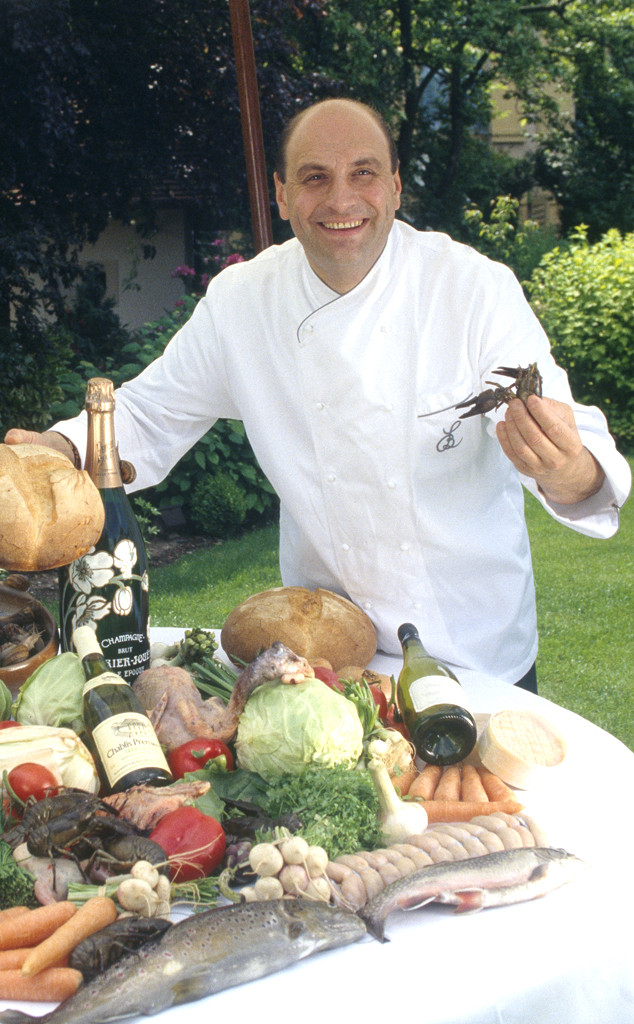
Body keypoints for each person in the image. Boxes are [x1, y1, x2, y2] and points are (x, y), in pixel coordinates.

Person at [6, 98, 631, 691]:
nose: (341, 199)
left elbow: (577, 452)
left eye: (364, 173)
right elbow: (148, 411)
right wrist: (58, 449)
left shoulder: (473, 290)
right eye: (313, 177)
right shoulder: (244, 300)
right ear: (281, 193)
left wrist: (567, 468)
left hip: (475, 652)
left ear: (394, 187)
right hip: (325, 654)